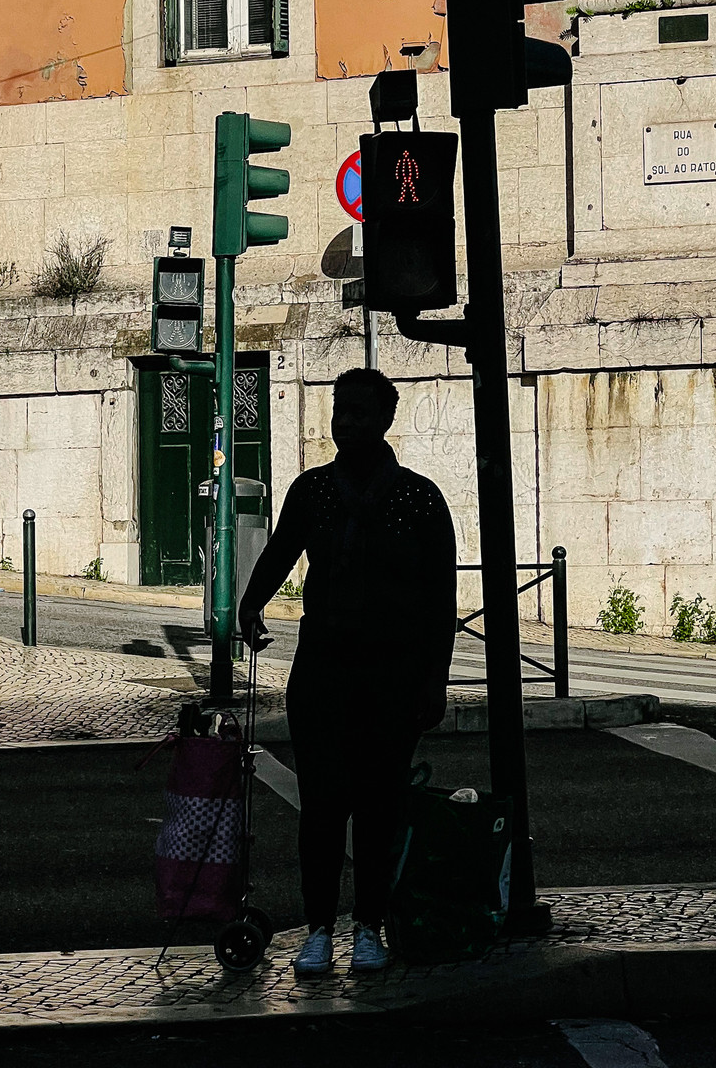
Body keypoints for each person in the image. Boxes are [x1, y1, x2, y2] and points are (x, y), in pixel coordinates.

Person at [238, 367, 457, 976]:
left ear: (385, 421)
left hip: (392, 674)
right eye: (340, 411)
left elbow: (441, 600)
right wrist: (249, 606)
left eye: (359, 413)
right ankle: (318, 928)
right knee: (323, 806)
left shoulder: (420, 498)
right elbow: (281, 552)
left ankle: (368, 925)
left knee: (381, 806)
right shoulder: (312, 492)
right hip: (324, 672)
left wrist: (434, 680)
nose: (346, 424)